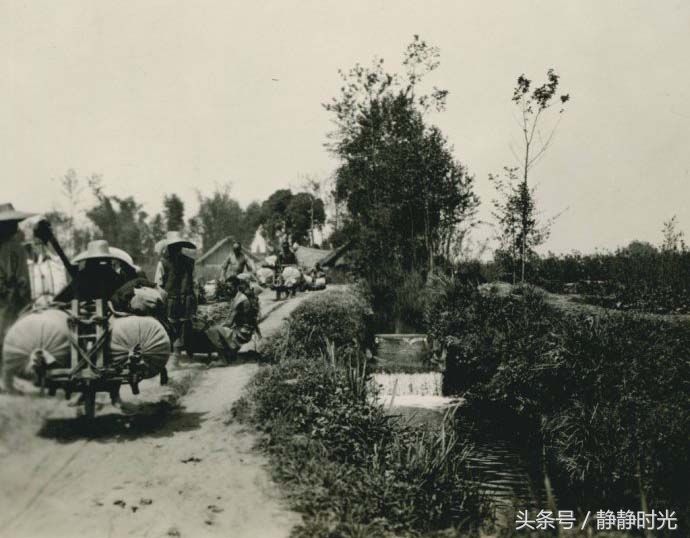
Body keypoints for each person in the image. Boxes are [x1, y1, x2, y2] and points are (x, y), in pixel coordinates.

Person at [0, 203, 34, 393]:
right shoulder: (14, 248)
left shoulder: (11, 247)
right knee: (7, 338)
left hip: (6, 298)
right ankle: (7, 381)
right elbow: (22, 279)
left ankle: (6, 380)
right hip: (9, 301)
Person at [155, 231, 197, 356]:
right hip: (176, 299)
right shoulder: (164, 263)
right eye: (174, 246)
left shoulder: (187, 262)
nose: (176, 249)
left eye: (177, 246)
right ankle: (179, 352)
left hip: (181, 299)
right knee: (178, 325)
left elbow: (193, 281)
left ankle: (178, 353)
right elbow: (159, 284)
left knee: (181, 324)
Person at [204, 273, 256, 366]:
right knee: (219, 328)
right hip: (243, 328)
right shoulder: (238, 297)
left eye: (230, 287)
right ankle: (231, 353)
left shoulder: (240, 300)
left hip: (243, 332)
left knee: (212, 330)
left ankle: (222, 359)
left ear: (237, 287)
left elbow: (229, 322)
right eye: (227, 287)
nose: (228, 289)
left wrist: (214, 323)